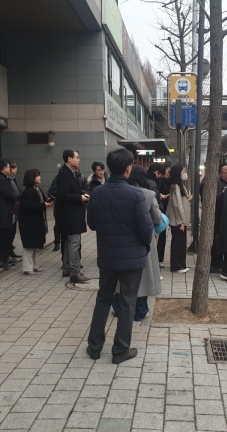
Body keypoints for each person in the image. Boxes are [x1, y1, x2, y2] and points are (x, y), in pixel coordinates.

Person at [86, 148, 154, 364]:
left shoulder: (97, 193)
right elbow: (146, 230)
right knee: (127, 301)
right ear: (128, 168)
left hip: (107, 256)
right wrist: (144, 248)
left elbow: (92, 224)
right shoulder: (135, 195)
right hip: (132, 259)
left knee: (103, 298)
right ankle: (120, 349)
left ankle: (94, 347)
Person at [112, 165, 162, 321]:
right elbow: (157, 218)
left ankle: (118, 308)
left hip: (120, 240)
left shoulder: (116, 192)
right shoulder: (148, 194)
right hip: (143, 241)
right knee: (144, 276)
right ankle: (140, 310)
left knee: (121, 275)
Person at [55, 150, 90, 283]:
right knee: (74, 243)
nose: (79, 160)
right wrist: (80, 197)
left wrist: (82, 194)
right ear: (69, 159)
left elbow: (70, 191)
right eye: (77, 157)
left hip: (71, 213)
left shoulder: (70, 173)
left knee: (70, 242)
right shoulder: (64, 174)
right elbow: (63, 194)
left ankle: (67, 269)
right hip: (70, 214)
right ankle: (75, 273)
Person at [19, 169, 53, 275]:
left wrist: (47, 201)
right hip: (29, 223)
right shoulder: (28, 191)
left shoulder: (37, 189)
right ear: (31, 178)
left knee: (34, 246)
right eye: (37, 176)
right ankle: (27, 268)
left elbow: (41, 201)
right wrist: (44, 205)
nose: (40, 177)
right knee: (29, 246)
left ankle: (34, 266)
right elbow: (29, 207)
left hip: (36, 222)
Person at [200, 164, 227, 273]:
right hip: (216, 216)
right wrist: (222, 193)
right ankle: (214, 263)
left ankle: (218, 261)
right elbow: (211, 198)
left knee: (220, 240)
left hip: (222, 216)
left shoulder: (226, 183)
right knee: (216, 241)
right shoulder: (216, 183)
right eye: (226, 172)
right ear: (221, 173)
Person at [167, 164, 192, 273]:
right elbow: (177, 205)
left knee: (181, 243)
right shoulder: (176, 186)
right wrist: (181, 222)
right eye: (183, 171)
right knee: (178, 243)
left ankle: (181, 264)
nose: (184, 173)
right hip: (178, 221)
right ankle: (176, 265)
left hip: (180, 220)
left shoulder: (179, 185)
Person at [156, 164, 171, 268]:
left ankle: (160, 258)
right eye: (167, 172)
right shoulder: (158, 182)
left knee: (162, 235)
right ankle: (156, 258)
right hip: (159, 210)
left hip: (165, 211)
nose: (168, 174)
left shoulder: (171, 182)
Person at [6, 161, 22, 260]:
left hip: (15, 208)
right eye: (15, 168)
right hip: (11, 208)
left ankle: (10, 250)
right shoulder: (7, 180)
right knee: (9, 231)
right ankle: (7, 251)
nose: (16, 170)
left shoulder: (13, 179)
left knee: (13, 231)